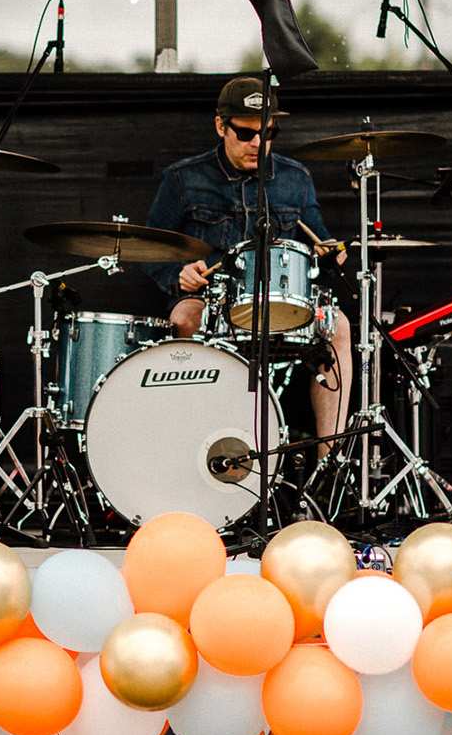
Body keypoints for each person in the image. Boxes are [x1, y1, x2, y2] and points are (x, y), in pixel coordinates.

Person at [145, 76, 355, 457]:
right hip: (212, 303)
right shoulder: (182, 179)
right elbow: (149, 250)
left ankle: (330, 464)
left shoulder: (295, 179)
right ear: (220, 126)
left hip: (282, 303)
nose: (258, 143)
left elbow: (318, 243)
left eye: (268, 132)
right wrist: (177, 274)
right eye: (245, 133)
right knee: (184, 319)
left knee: (338, 327)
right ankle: (189, 451)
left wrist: (330, 253)